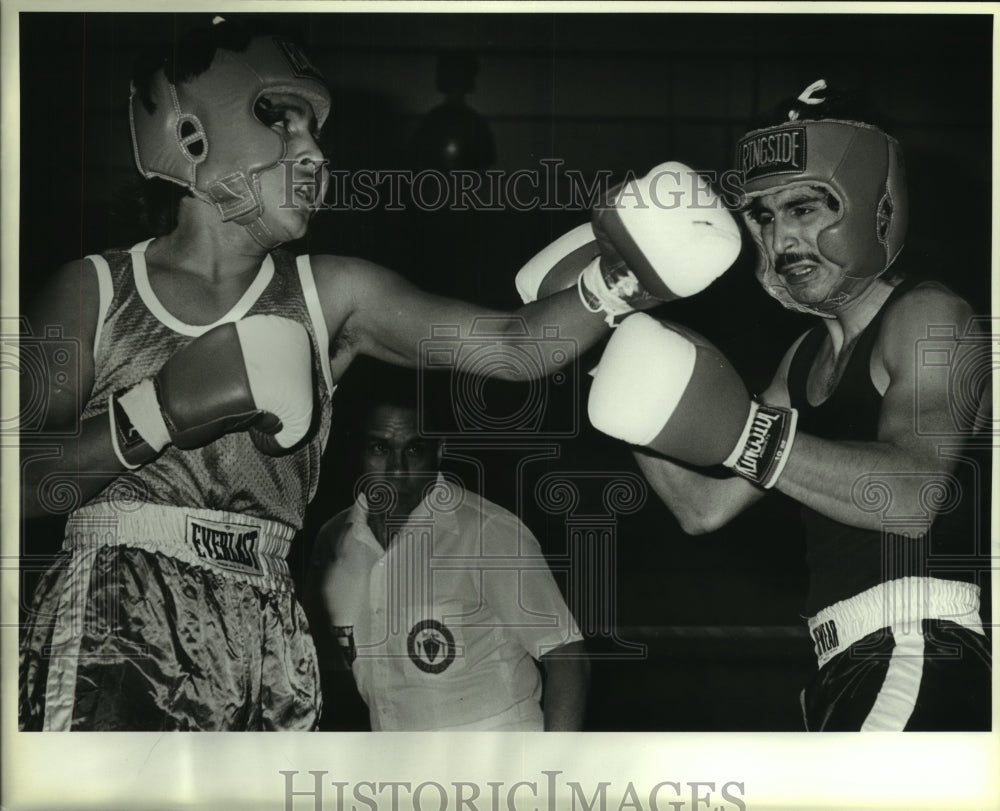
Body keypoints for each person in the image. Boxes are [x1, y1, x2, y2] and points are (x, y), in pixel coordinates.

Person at [18, 18, 738, 731]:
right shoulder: (92, 290)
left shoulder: (332, 291)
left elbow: (512, 345)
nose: (314, 154)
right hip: (116, 613)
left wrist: (619, 279)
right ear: (193, 134)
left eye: (315, 132)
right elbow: (18, 484)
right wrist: (159, 410)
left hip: (267, 621)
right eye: (283, 123)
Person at [587, 79, 992, 731]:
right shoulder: (803, 357)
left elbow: (914, 495)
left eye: (804, 207)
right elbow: (704, 505)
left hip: (922, 644)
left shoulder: (931, 316)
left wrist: (750, 434)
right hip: (841, 664)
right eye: (765, 217)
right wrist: (616, 342)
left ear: (875, 203)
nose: (783, 240)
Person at [304, 363, 588, 731]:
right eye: (379, 448)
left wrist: (555, 781)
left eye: (414, 450)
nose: (397, 470)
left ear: (439, 450)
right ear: (356, 449)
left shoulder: (487, 533)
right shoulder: (332, 541)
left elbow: (568, 658)